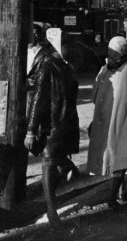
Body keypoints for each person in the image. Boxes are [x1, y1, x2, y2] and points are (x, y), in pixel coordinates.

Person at [87, 36, 127, 209]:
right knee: (122, 158)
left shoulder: (104, 70)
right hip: (125, 118)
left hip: (104, 120)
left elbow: (93, 95)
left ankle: (122, 191)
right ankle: (112, 197)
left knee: (118, 156)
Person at [25, 24, 80, 226]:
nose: (70, 49)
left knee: (54, 164)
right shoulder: (47, 68)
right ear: (58, 47)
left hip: (66, 124)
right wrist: (31, 130)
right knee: (49, 164)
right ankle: (51, 211)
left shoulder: (67, 67)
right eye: (66, 45)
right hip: (52, 125)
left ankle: (53, 203)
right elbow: (38, 100)